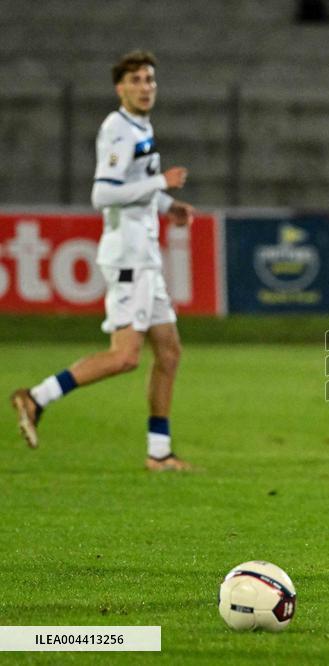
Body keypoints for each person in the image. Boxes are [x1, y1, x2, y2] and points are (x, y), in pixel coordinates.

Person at [10, 50, 195, 472]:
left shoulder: (139, 126)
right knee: (125, 356)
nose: (146, 87)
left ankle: (159, 452)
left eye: (150, 79)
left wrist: (167, 204)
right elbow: (103, 193)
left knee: (169, 352)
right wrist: (159, 182)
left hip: (145, 256)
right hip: (129, 258)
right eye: (136, 80)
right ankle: (37, 397)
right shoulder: (117, 129)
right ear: (120, 88)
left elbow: (133, 185)